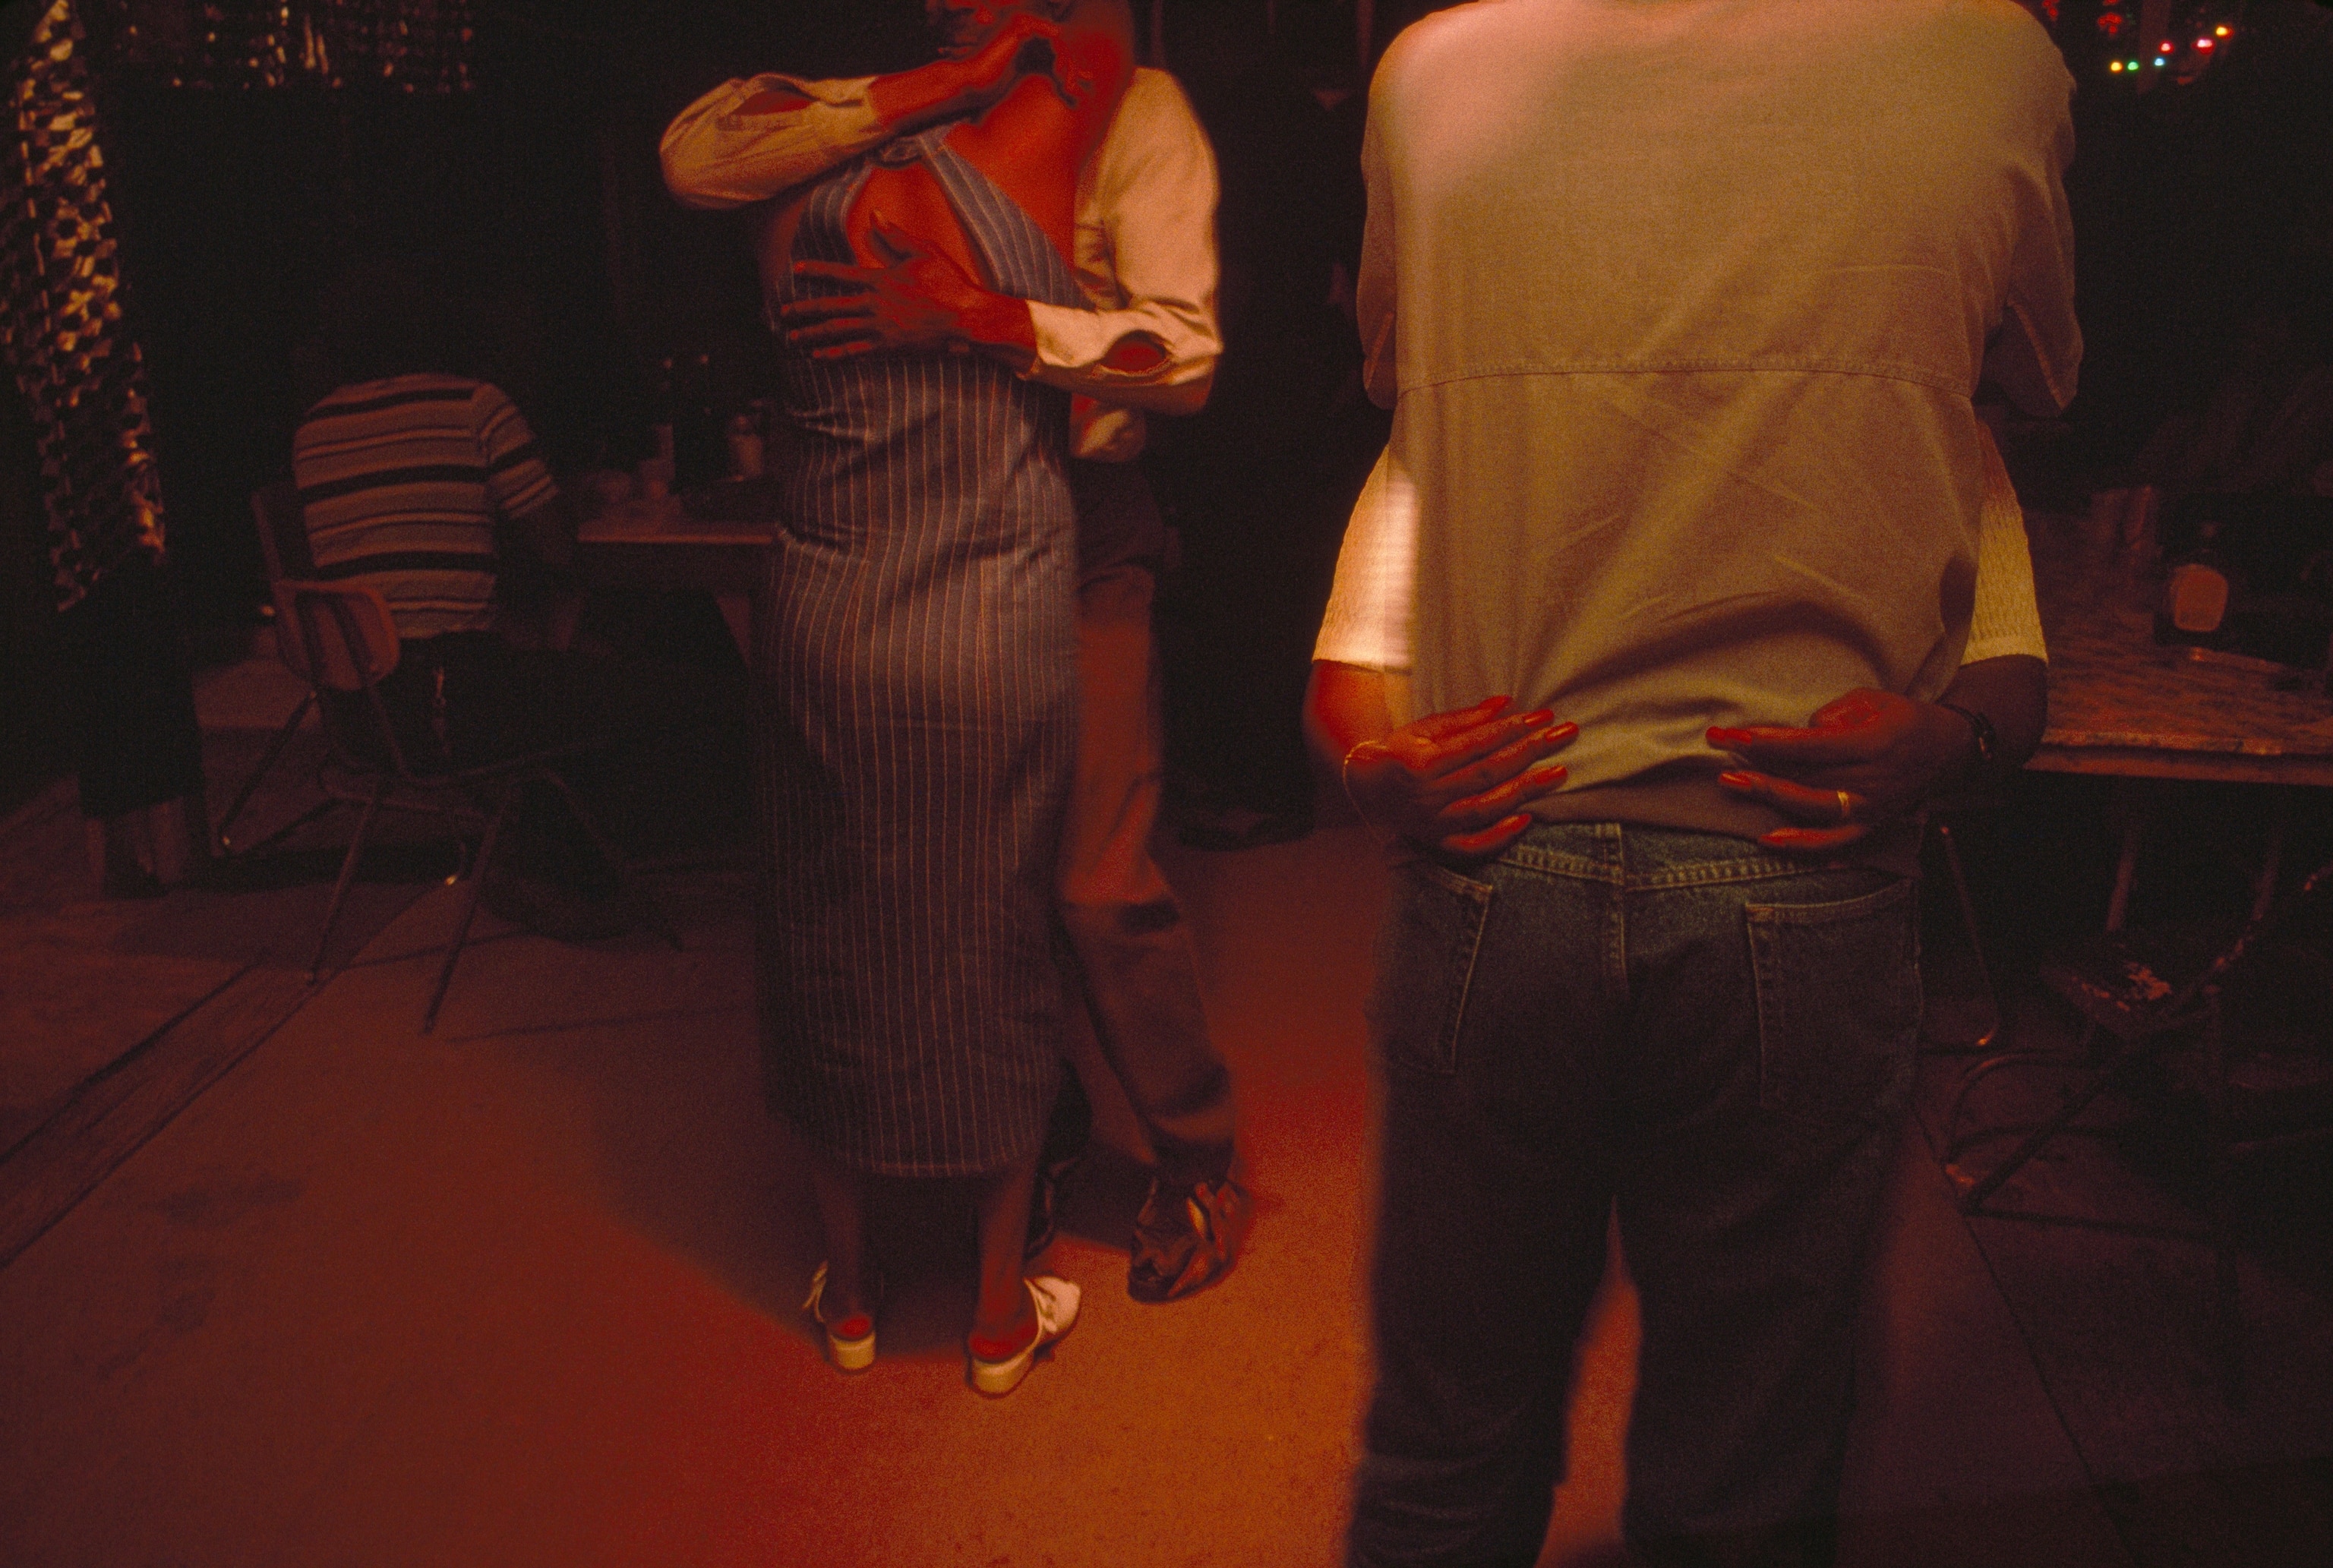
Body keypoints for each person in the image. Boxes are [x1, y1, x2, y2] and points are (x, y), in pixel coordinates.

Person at [1304, 2, 2080, 1563]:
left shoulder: (1437, 69)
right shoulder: (1991, 55)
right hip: (1792, 870)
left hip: (1505, 867)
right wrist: (1968, 739)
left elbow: (1415, 373)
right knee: (1744, 1470)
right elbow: (2024, 371)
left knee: (1447, 1443)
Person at [661, 0, 1251, 1308]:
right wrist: (920, 92)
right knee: (941, 874)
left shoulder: (1136, 116)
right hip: (902, 531)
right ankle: (1022, 1128)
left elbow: (1191, 358)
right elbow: (695, 160)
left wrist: (983, 319)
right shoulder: (882, 99)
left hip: (1078, 532)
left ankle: (1199, 1158)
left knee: (1091, 879)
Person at [292, 261, 705, 940]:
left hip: (363, 714)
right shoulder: (474, 405)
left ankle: (536, 849)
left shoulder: (313, 431)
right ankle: (555, 864)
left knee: (561, 675)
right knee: (679, 693)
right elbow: (557, 551)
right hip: (455, 704)